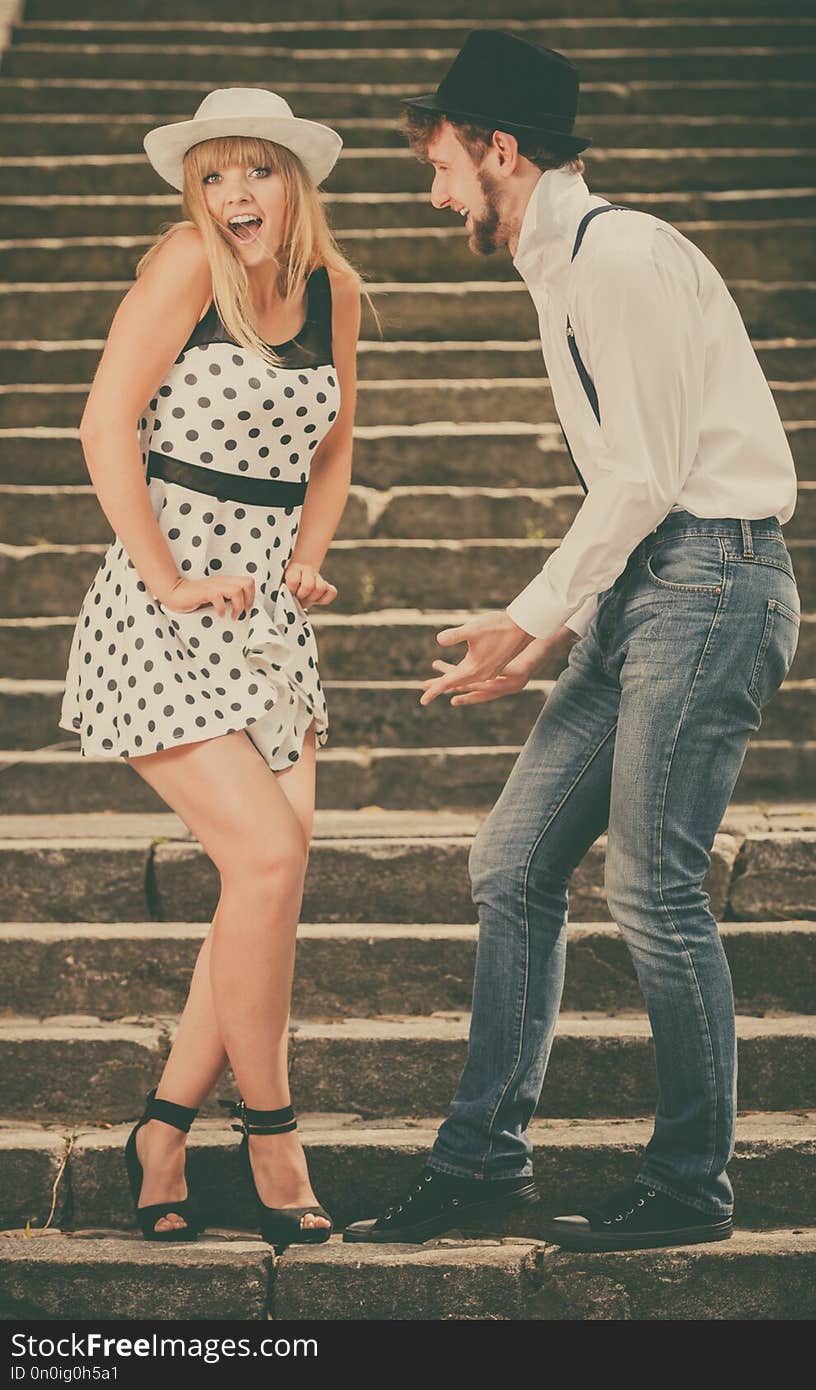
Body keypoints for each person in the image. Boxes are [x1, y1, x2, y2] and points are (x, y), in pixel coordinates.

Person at [343, 30, 801, 1252]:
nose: (434, 193)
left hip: (711, 581)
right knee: (510, 863)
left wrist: (533, 612)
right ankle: (483, 1163)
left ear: (500, 150)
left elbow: (650, 475)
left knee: (652, 888)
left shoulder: (622, 259)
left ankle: (689, 1185)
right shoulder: (563, 269)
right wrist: (560, 627)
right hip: (646, 595)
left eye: (442, 164)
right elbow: (632, 485)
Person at [58, 87, 368, 1245]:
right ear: (196, 191)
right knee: (271, 850)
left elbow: (335, 442)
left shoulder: (331, 288)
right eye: (217, 174)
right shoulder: (189, 263)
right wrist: (169, 576)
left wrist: (308, 562)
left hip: (269, 620)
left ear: (297, 181)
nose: (236, 195)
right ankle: (275, 1134)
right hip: (164, 602)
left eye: (260, 172)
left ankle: (162, 1128)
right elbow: (102, 424)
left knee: (266, 885)